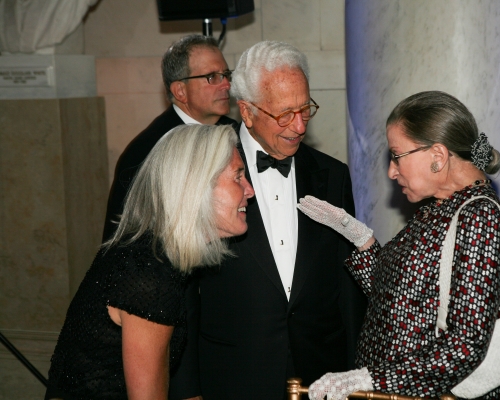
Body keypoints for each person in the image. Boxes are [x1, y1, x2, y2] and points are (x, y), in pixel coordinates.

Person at [174, 41, 367, 400]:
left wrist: (357, 374)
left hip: (320, 377)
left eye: (305, 109)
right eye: (284, 114)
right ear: (246, 112)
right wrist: (187, 389)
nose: (298, 126)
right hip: (233, 376)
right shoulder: (205, 172)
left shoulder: (333, 175)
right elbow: (184, 290)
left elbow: (347, 283)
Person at [298, 91, 500, 400]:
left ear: (437, 157)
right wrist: (360, 238)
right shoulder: (440, 207)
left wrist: (372, 379)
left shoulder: (479, 218)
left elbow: (464, 347)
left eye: (396, 156)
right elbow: (400, 301)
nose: (391, 171)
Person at [45, 124, 254, 400]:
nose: (249, 190)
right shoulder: (150, 272)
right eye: (238, 176)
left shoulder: (149, 251)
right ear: (196, 187)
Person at [102, 34, 236, 242]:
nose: (226, 84)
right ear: (180, 91)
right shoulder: (147, 151)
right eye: (212, 77)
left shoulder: (237, 133)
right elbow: (128, 240)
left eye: (226, 74)